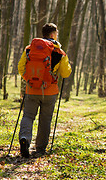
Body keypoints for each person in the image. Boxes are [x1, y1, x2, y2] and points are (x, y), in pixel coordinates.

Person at [18, 23, 71, 158]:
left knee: (28, 116)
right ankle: (40, 148)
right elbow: (65, 74)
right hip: (50, 91)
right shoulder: (59, 52)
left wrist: (30, 80)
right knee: (45, 119)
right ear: (53, 35)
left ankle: (25, 138)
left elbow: (21, 68)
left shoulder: (30, 49)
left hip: (31, 90)